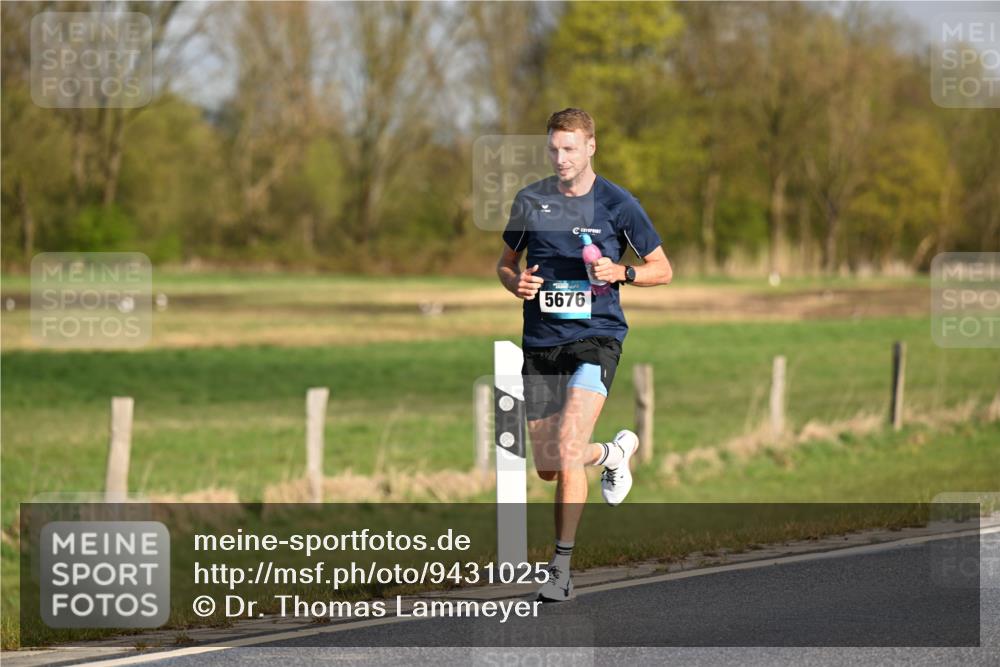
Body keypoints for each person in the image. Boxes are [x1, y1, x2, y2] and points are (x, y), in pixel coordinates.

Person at [496, 108, 673, 602]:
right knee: (550, 464)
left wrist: (624, 273)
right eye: (554, 148)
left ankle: (561, 568)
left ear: (591, 147)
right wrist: (518, 284)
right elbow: (506, 263)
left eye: (570, 148)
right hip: (541, 343)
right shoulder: (531, 200)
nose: (561, 157)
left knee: (569, 445)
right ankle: (614, 453)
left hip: (597, 338)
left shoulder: (619, 204)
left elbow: (663, 268)